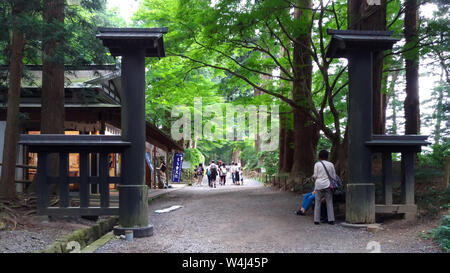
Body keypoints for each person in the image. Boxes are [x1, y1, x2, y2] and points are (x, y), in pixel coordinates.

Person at [312, 150, 335, 225]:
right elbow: (333, 176)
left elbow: (315, 176)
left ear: (320, 156)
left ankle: (316, 220)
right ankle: (331, 220)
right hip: (328, 185)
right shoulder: (331, 164)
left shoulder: (317, 164)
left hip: (318, 185)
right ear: (327, 156)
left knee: (317, 202)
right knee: (329, 202)